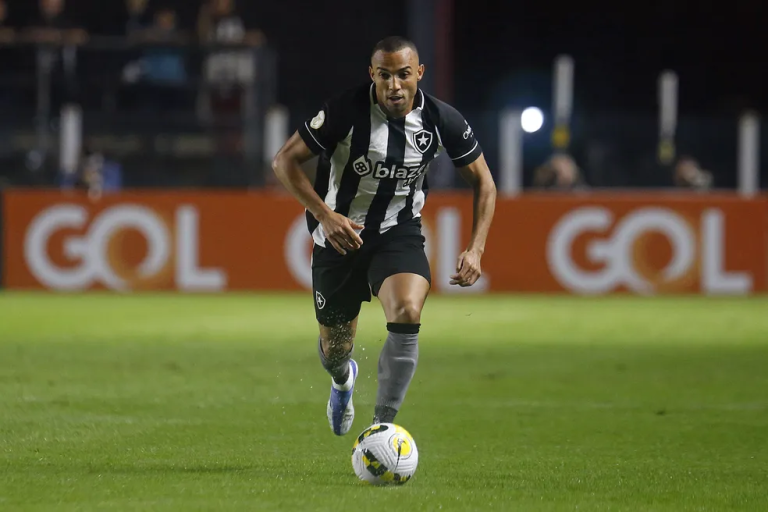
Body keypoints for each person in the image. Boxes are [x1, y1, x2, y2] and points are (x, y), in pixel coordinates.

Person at [272, 36, 496, 436]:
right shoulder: (345, 110)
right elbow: (284, 161)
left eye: (404, 75)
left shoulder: (442, 120)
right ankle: (343, 380)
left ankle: (381, 430)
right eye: (385, 76)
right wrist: (325, 215)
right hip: (339, 237)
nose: (395, 85)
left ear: (419, 74)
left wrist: (476, 248)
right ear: (372, 76)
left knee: (408, 311)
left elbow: (485, 182)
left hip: (398, 232)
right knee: (336, 348)